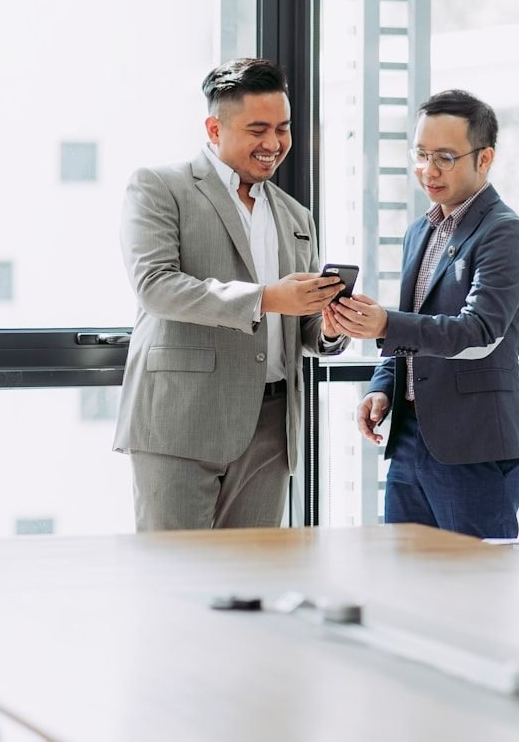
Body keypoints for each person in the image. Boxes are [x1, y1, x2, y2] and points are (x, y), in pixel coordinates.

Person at [113, 58, 348, 531]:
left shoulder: (297, 216)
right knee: (176, 578)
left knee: (253, 582)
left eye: (282, 129)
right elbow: (156, 286)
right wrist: (265, 298)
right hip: (181, 418)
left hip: (273, 427)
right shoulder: (160, 187)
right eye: (257, 129)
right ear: (214, 128)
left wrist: (328, 326)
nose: (274, 144)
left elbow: (298, 325)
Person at [324, 89, 519, 538]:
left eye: (444, 157)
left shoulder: (504, 233)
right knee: (408, 585)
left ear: (485, 158)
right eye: (420, 154)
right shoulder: (421, 229)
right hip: (409, 439)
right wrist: (383, 386)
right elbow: (415, 323)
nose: (428, 170)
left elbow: (478, 332)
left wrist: (384, 323)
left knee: (476, 592)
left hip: (472, 446)